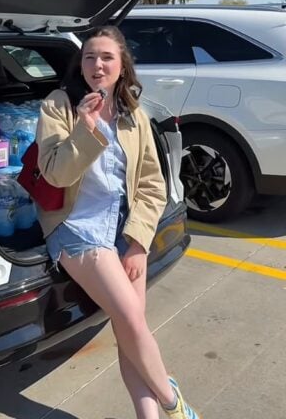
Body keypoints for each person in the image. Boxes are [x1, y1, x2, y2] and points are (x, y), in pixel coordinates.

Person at [33, 26, 200, 419]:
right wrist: (85, 128)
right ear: (81, 64)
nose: (97, 65)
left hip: (124, 229)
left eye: (107, 57)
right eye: (89, 57)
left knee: (130, 332)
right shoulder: (59, 105)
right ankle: (175, 405)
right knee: (130, 320)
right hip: (77, 227)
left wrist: (139, 242)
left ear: (122, 65)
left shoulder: (133, 114)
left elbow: (152, 185)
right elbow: (55, 174)